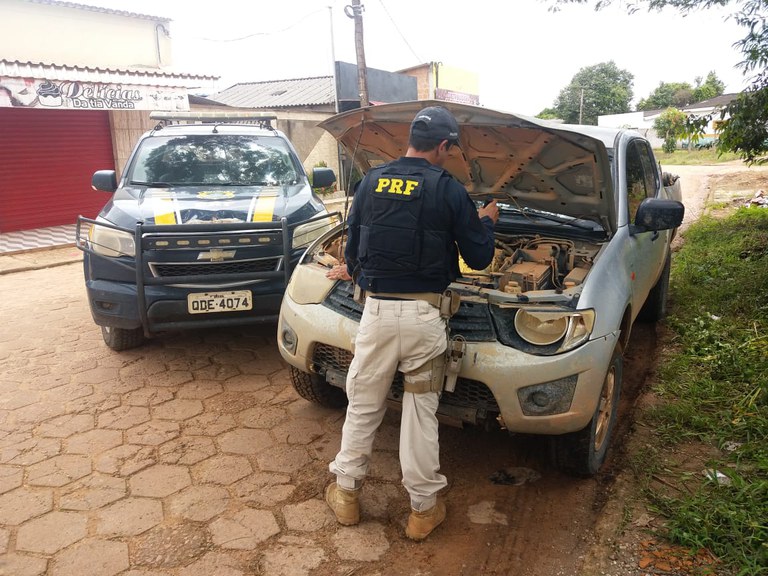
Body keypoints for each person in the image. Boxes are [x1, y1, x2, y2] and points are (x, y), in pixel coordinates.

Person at [324, 105, 499, 541]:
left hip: (377, 315)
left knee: (364, 402)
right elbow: (478, 257)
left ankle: (346, 493)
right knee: (421, 412)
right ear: (442, 146)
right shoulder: (449, 189)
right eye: (449, 148)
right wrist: (486, 223)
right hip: (424, 319)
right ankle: (422, 510)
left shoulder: (371, 182)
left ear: (410, 139)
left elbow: (353, 248)